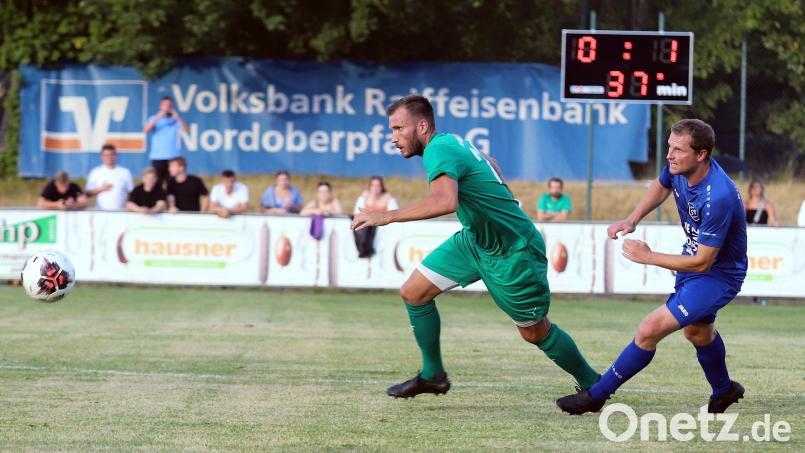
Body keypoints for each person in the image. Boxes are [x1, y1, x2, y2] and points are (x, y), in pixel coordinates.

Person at [351, 95, 599, 399]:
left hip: (513, 250)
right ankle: (433, 376)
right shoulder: (452, 141)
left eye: (398, 128)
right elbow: (489, 162)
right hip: (475, 240)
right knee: (414, 293)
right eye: (391, 130)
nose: (393, 138)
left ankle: (593, 384)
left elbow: (445, 201)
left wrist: (386, 216)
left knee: (534, 331)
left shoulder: (437, 149)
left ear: (422, 125)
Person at [556, 119, 748, 415]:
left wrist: (649, 256)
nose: (669, 155)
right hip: (694, 264)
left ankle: (595, 396)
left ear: (701, 155)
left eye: (678, 150)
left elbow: (703, 262)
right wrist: (632, 219)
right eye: (669, 147)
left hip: (717, 275)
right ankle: (725, 390)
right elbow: (661, 186)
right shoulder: (679, 170)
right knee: (698, 333)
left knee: (649, 328)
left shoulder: (718, 196)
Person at [144, 96, 189, 188]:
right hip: (158, 156)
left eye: (169, 105)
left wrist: (178, 118)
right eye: (165, 105)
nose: (167, 107)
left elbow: (187, 130)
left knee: (172, 183)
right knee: (157, 182)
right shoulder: (154, 118)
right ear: (161, 106)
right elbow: (146, 129)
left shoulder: (175, 120)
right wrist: (158, 117)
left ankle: (172, 201)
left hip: (173, 156)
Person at [84, 144, 134, 211]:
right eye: (106, 155)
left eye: (111, 154)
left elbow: (131, 193)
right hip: (101, 213)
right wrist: (101, 189)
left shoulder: (125, 172)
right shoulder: (95, 172)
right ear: (102, 156)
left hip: (121, 213)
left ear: (116, 155)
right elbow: (87, 193)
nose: (109, 157)